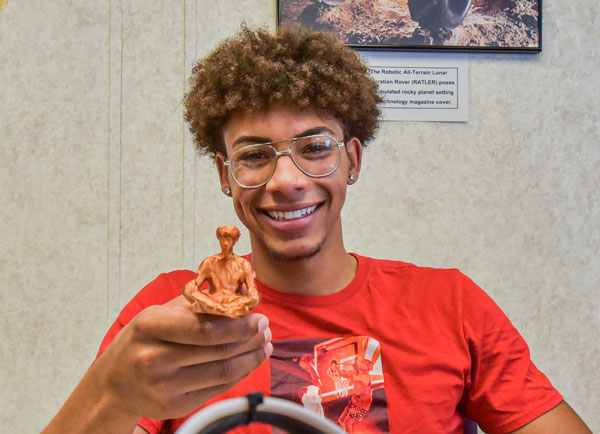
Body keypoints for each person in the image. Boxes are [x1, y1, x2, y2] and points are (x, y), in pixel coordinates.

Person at [43, 26, 591, 434]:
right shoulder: (171, 313)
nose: (286, 181)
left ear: (353, 160)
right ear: (225, 176)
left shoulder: (450, 305)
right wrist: (110, 392)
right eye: (255, 156)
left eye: (314, 148)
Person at [182, 225, 259, 317]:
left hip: (234, 300)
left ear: (234, 241)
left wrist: (252, 293)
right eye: (222, 239)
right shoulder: (209, 262)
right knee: (189, 290)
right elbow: (194, 286)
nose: (225, 243)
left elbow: (252, 290)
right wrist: (190, 288)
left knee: (255, 298)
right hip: (212, 299)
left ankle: (217, 308)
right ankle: (221, 309)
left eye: (228, 239)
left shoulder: (243, 265)